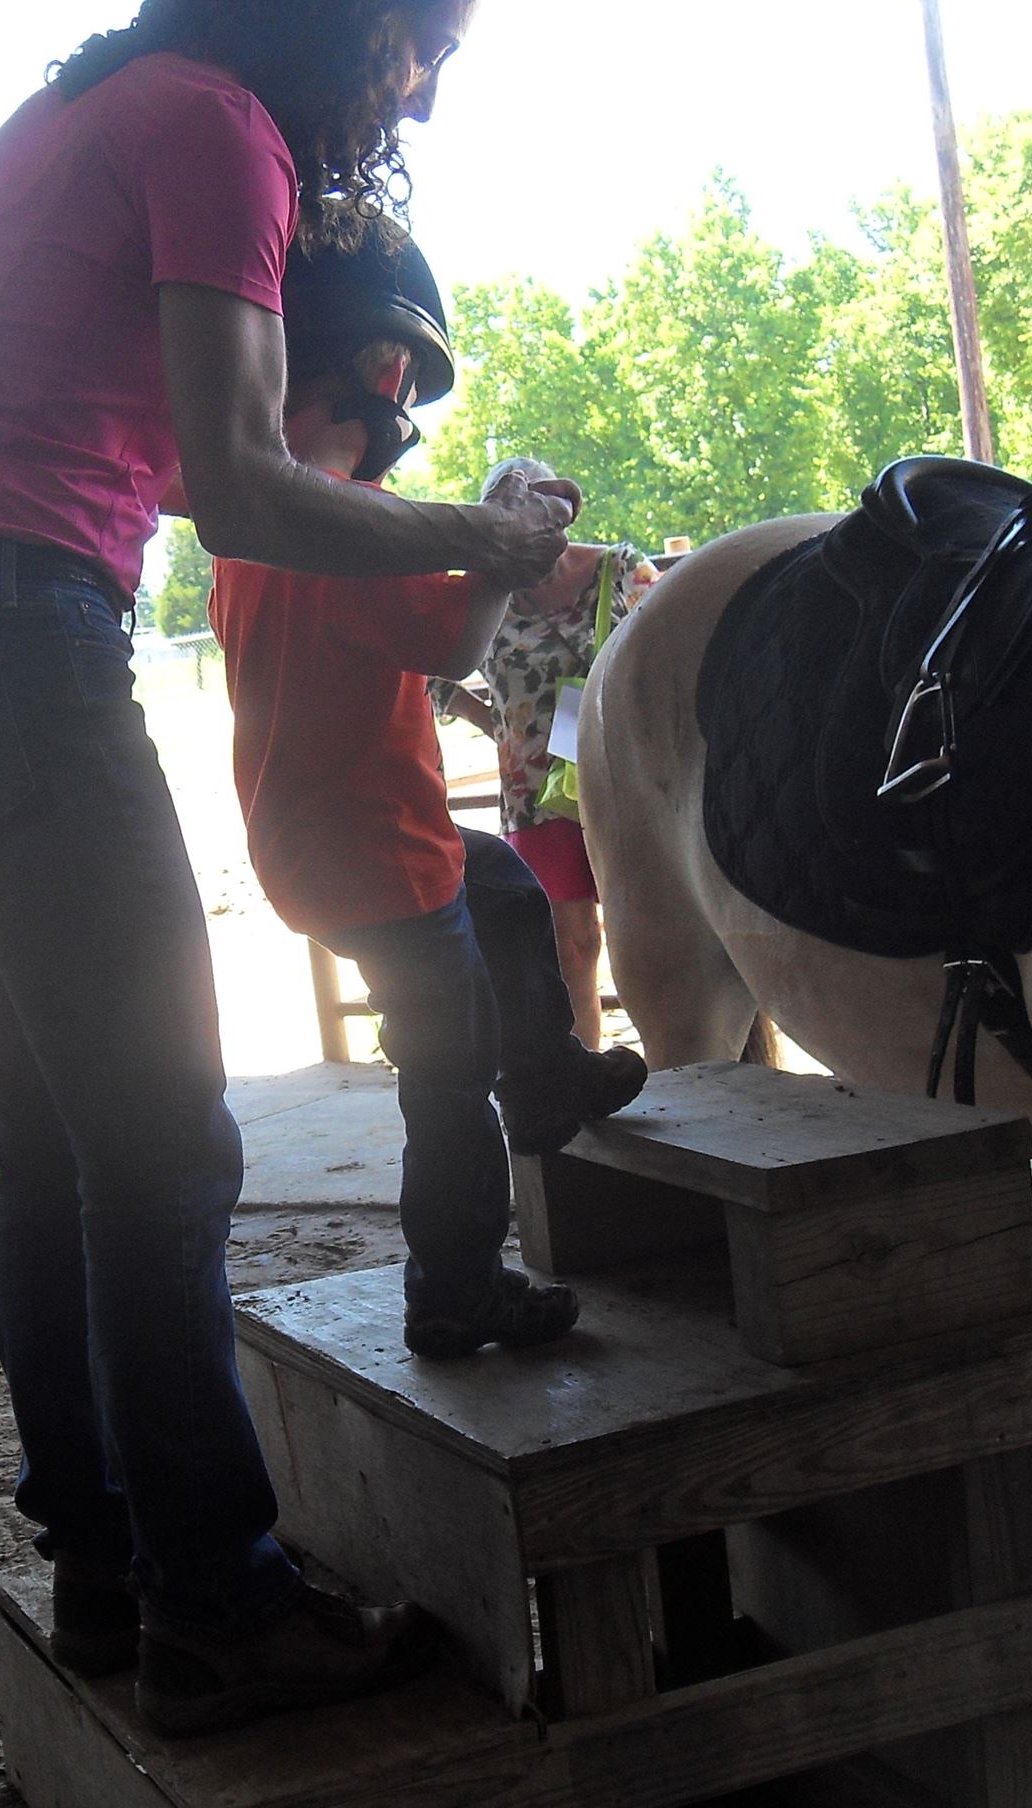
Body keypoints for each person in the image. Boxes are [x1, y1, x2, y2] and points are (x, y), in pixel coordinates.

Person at [0, 0, 577, 1738]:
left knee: (57, 1149)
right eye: (418, 46)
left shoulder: (85, 111)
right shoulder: (216, 123)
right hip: (13, 648)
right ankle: (218, 1603)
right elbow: (243, 487)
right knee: (163, 1146)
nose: (420, 87)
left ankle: (107, 1563)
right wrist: (488, 537)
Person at [211, 225, 648, 1360]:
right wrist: (512, 544)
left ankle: (545, 1074)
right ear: (365, 388)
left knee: (501, 878)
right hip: (382, 859)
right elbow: (457, 641)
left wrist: (479, 537)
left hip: (322, 842)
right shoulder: (342, 529)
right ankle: (455, 1289)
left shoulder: (251, 532)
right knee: (447, 1082)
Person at [435, 459, 655, 1048]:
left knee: (650, 925)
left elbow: (669, 658)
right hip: (536, 795)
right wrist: (497, 725)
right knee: (567, 941)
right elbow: (431, 674)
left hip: (630, 780)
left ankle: (677, 1066)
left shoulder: (620, 570)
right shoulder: (482, 595)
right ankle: (586, 1068)